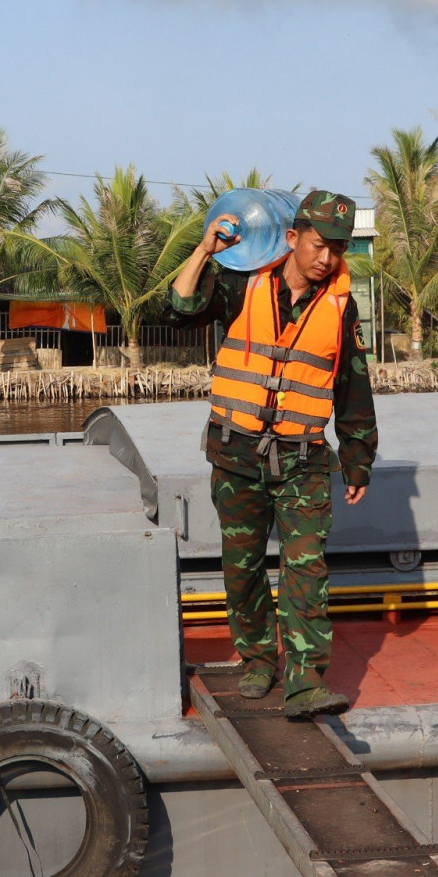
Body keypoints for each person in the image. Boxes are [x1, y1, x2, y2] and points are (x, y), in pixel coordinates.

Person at [167, 189, 377, 718]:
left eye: (337, 247)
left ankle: (306, 684)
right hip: (237, 454)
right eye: (317, 244)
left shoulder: (342, 305)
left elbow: (354, 388)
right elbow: (181, 307)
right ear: (292, 238)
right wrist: (205, 249)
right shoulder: (243, 283)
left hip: (303, 458)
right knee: (242, 568)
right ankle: (259, 660)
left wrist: (358, 458)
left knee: (307, 570)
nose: (327, 257)